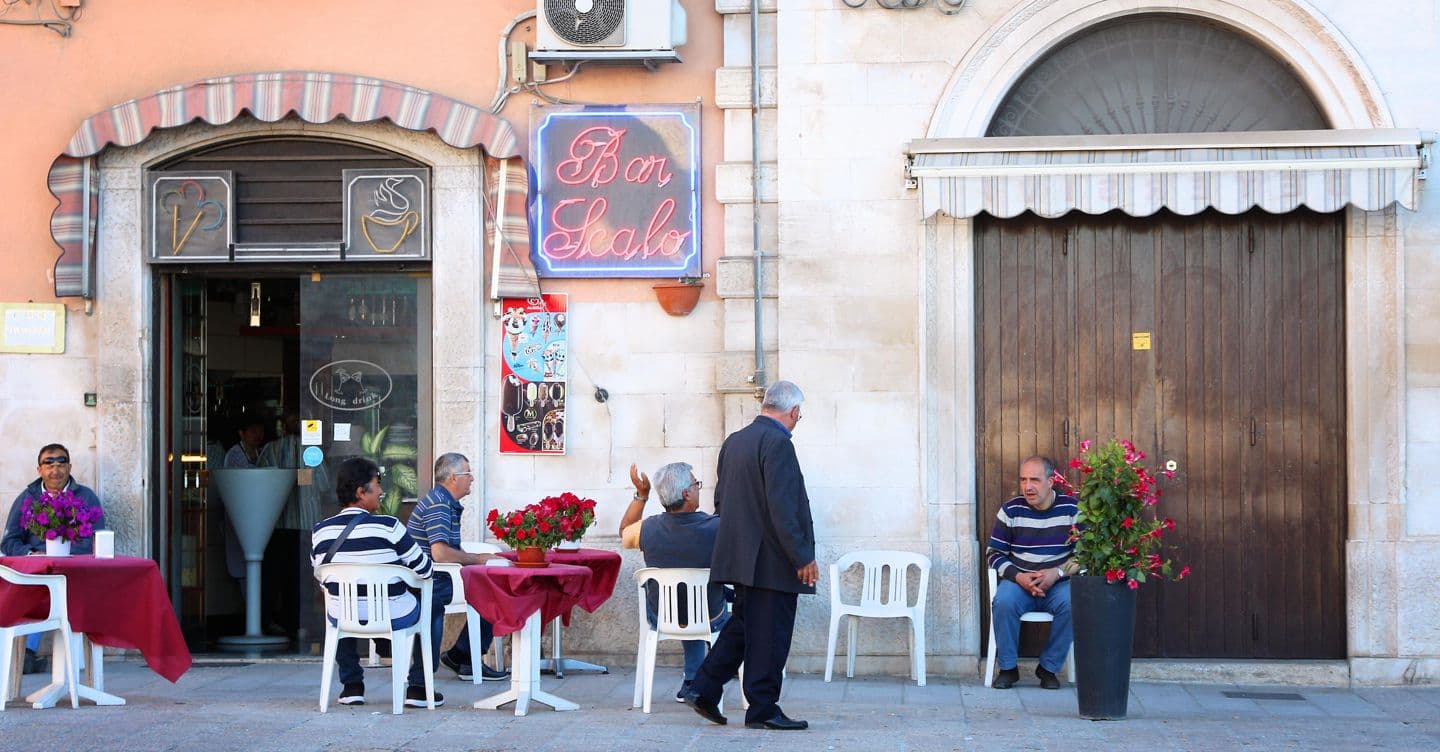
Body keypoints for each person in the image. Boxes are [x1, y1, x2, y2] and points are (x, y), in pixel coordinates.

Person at [682, 380, 817, 731]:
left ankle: (704, 688)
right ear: (794, 411)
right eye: (799, 414)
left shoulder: (734, 441)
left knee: (743, 627)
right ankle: (763, 708)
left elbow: (721, 501)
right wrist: (802, 557)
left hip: (741, 557)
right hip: (772, 561)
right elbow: (784, 509)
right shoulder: (779, 444)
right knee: (770, 634)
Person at [311, 456, 443, 708]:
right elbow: (426, 570)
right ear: (361, 492)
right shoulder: (389, 527)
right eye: (377, 484)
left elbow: (322, 577)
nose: (382, 490)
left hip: (344, 616)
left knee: (342, 601)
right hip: (393, 614)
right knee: (433, 604)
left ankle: (351, 686)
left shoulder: (320, 531)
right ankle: (417, 687)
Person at [619, 461, 728, 702]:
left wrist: (641, 495)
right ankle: (710, 677)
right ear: (687, 494)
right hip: (709, 613)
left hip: (663, 615)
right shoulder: (718, 528)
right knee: (722, 609)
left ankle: (692, 679)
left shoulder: (646, 529)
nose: (699, 488)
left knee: (688, 606)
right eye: (696, 484)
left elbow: (624, 530)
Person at [405, 452, 509, 682]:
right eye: (468, 473)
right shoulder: (439, 505)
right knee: (496, 591)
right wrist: (479, 559)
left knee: (494, 587)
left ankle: (462, 656)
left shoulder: (443, 501)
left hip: (434, 577)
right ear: (453, 477)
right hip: (428, 581)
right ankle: (463, 657)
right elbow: (440, 554)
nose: (472, 478)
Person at [3, 443, 106, 673]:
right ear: (39, 469)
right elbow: (9, 542)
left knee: (66, 592)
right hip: (36, 573)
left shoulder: (86, 497)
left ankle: (72, 659)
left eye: (61, 463)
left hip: (76, 573)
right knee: (35, 591)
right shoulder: (27, 498)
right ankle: (27, 654)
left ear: (69, 467)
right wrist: (32, 554)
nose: (55, 469)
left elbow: (98, 539)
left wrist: (64, 556)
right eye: (48, 464)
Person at [985, 456, 1079, 690]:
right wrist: (1019, 577)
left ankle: (1048, 668)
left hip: (1058, 583)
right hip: (1019, 582)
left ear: (1051, 481)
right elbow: (994, 554)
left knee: (1073, 604)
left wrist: (1056, 573)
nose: (1028, 486)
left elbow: (1086, 555)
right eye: (1023, 479)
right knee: (1003, 602)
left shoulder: (1072, 509)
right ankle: (1008, 669)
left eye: (1035, 480)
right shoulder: (1011, 510)